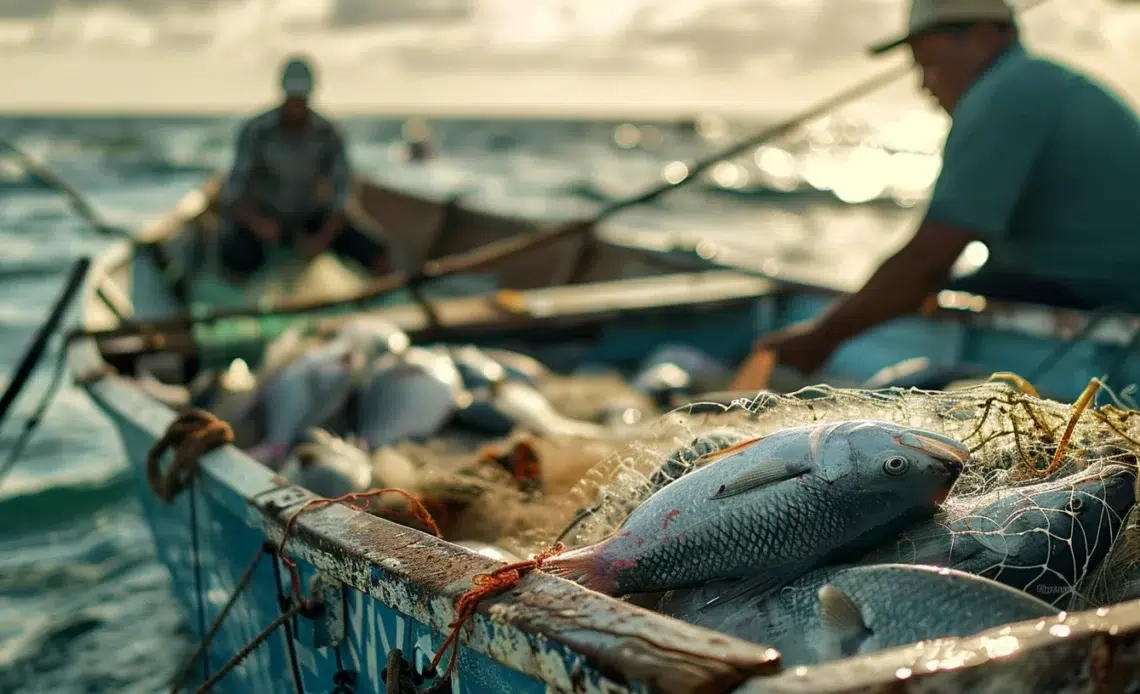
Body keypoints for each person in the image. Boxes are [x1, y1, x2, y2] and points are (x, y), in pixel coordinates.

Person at [732, 0, 1140, 389]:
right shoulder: (1041, 82)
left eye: (929, 64)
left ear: (982, 37)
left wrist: (818, 339)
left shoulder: (1004, 94)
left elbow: (929, 260)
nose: (924, 85)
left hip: (1104, 300)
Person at [218, 55, 392, 278]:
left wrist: (322, 238)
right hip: (264, 220)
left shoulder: (328, 134)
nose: (296, 106)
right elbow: (233, 194)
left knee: (376, 250)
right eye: (293, 99)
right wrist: (259, 224)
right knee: (236, 256)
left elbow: (343, 196)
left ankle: (382, 301)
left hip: (310, 219)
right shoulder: (255, 132)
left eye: (301, 99)